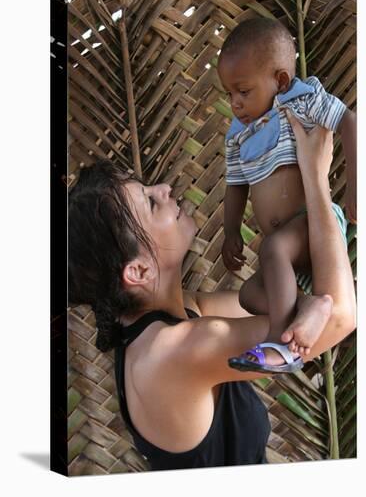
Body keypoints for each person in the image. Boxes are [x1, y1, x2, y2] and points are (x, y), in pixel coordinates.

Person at [68, 114, 355, 471]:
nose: (164, 189)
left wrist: (309, 303)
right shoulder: (172, 351)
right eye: (151, 202)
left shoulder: (175, 314)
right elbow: (341, 316)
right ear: (138, 271)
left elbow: (269, 303)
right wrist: (316, 178)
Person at [217, 18, 356, 373]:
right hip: (288, 254)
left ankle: (281, 340)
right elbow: (235, 185)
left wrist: (357, 185)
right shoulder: (237, 134)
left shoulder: (301, 99)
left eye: (243, 91)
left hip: (313, 225)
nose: (235, 103)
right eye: (229, 94)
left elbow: (349, 122)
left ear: (279, 81)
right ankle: (310, 306)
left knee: (272, 248)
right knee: (249, 293)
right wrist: (231, 230)